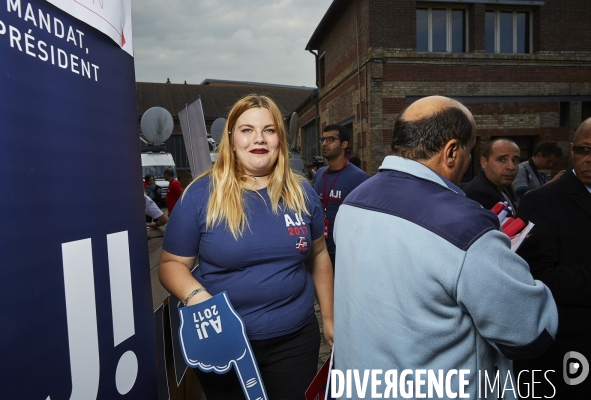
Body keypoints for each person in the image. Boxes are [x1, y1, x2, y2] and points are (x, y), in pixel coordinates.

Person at [333, 96, 558, 397]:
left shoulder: (353, 201)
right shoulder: (467, 228)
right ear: (452, 151)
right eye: (470, 148)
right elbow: (530, 331)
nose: (468, 159)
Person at [158, 94, 334, 400]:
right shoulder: (200, 195)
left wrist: (330, 319)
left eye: (269, 130)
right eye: (247, 130)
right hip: (224, 342)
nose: (259, 139)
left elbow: (319, 254)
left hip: (294, 339)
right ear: (231, 139)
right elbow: (171, 264)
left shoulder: (302, 191)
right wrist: (198, 297)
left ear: (280, 138)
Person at [513, 118, 591, 398]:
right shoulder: (541, 202)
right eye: (584, 150)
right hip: (566, 352)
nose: (589, 159)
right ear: (572, 150)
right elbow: (538, 278)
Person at [313, 124, 368, 268]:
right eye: (323, 139)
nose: (325, 144)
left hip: (343, 254)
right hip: (318, 249)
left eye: (331, 139)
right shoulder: (319, 174)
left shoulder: (359, 178)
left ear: (344, 144)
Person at [464, 138, 520, 216]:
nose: (511, 167)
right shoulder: (478, 194)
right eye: (502, 160)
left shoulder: (504, 184)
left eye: (515, 160)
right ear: (484, 162)